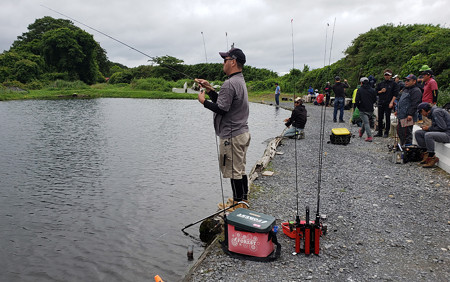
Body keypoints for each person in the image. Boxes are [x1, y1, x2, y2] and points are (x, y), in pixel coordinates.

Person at [196, 47, 250, 210]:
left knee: (234, 171)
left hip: (232, 135)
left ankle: (237, 205)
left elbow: (221, 109)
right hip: (242, 132)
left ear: (232, 62)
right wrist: (211, 89)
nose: (223, 63)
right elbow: (224, 102)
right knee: (239, 169)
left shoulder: (229, 83)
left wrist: (203, 101)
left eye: (225, 60)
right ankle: (242, 201)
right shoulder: (239, 80)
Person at [415, 102, 450, 168]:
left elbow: (442, 127)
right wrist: (428, 128)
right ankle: (426, 154)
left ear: (423, 110)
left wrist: (428, 128)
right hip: (444, 132)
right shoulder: (433, 112)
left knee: (429, 135)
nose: (421, 114)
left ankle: (432, 157)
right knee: (418, 133)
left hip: (447, 134)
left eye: (420, 112)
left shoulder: (436, 112)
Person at [395, 74, 422, 146]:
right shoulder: (405, 89)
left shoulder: (416, 91)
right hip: (401, 115)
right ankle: (402, 146)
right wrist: (397, 110)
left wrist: (410, 114)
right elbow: (401, 101)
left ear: (414, 81)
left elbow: (415, 104)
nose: (406, 82)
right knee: (400, 132)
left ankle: (407, 149)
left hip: (408, 117)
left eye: (408, 80)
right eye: (405, 80)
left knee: (406, 133)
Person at [375, 69, 399, 138]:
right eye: (385, 75)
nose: (386, 76)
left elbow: (395, 94)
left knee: (387, 117)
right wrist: (381, 91)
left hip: (389, 102)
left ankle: (386, 132)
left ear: (391, 76)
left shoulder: (394, 84)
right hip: (381, 102)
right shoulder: (380, 84)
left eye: (388, 75)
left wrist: (392, 102)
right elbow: (376, 92)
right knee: (380, 117)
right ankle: (379, 132)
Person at [355, 77, 377, 142]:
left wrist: (358, 107)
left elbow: (357, 100)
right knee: (366, 121)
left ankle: (369, 136)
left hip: (362, 109)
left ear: (361, 83)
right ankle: (361, 132)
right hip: (370, 109)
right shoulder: (372, 90)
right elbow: (375, 99)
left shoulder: (360, 90)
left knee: (366, 122)